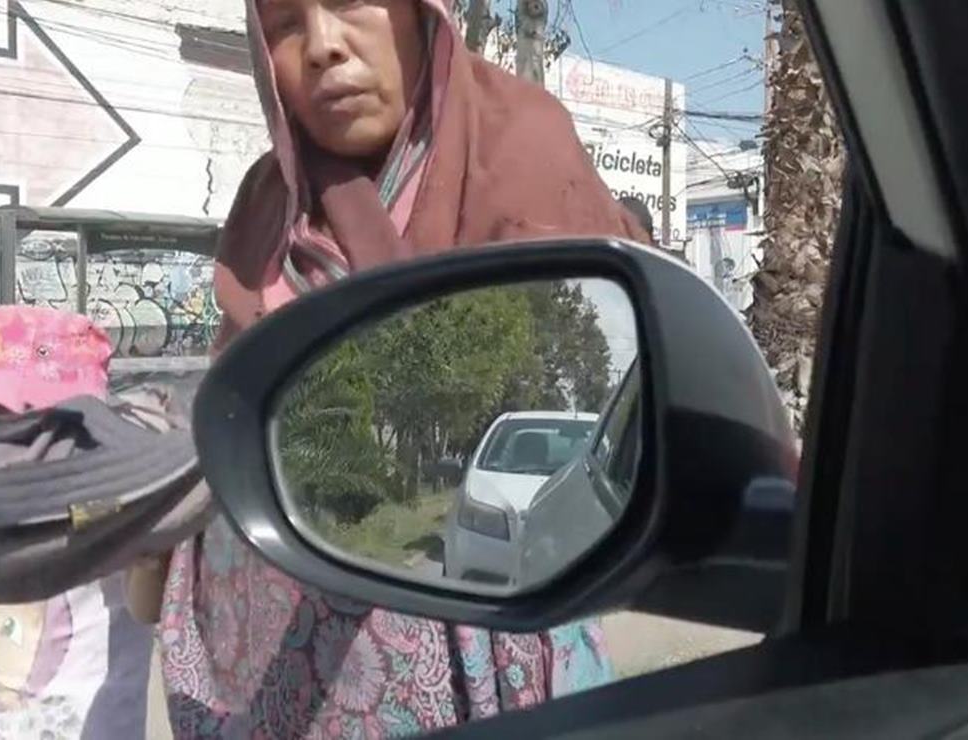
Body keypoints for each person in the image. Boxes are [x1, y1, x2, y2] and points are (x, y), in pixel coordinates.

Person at [147, 1, 648, 736]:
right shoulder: (265, 200)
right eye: (284, 24)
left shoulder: (520, 149)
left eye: (351, 2)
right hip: (257, 643)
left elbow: (603, 368)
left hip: (471, 634)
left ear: (421, 15)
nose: (321, 47)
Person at [0, 305, 154, 740]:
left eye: (0, 438)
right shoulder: (14, 526)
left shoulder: (110, 511)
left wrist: (150, 542)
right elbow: (13, 671)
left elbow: (147, 604)